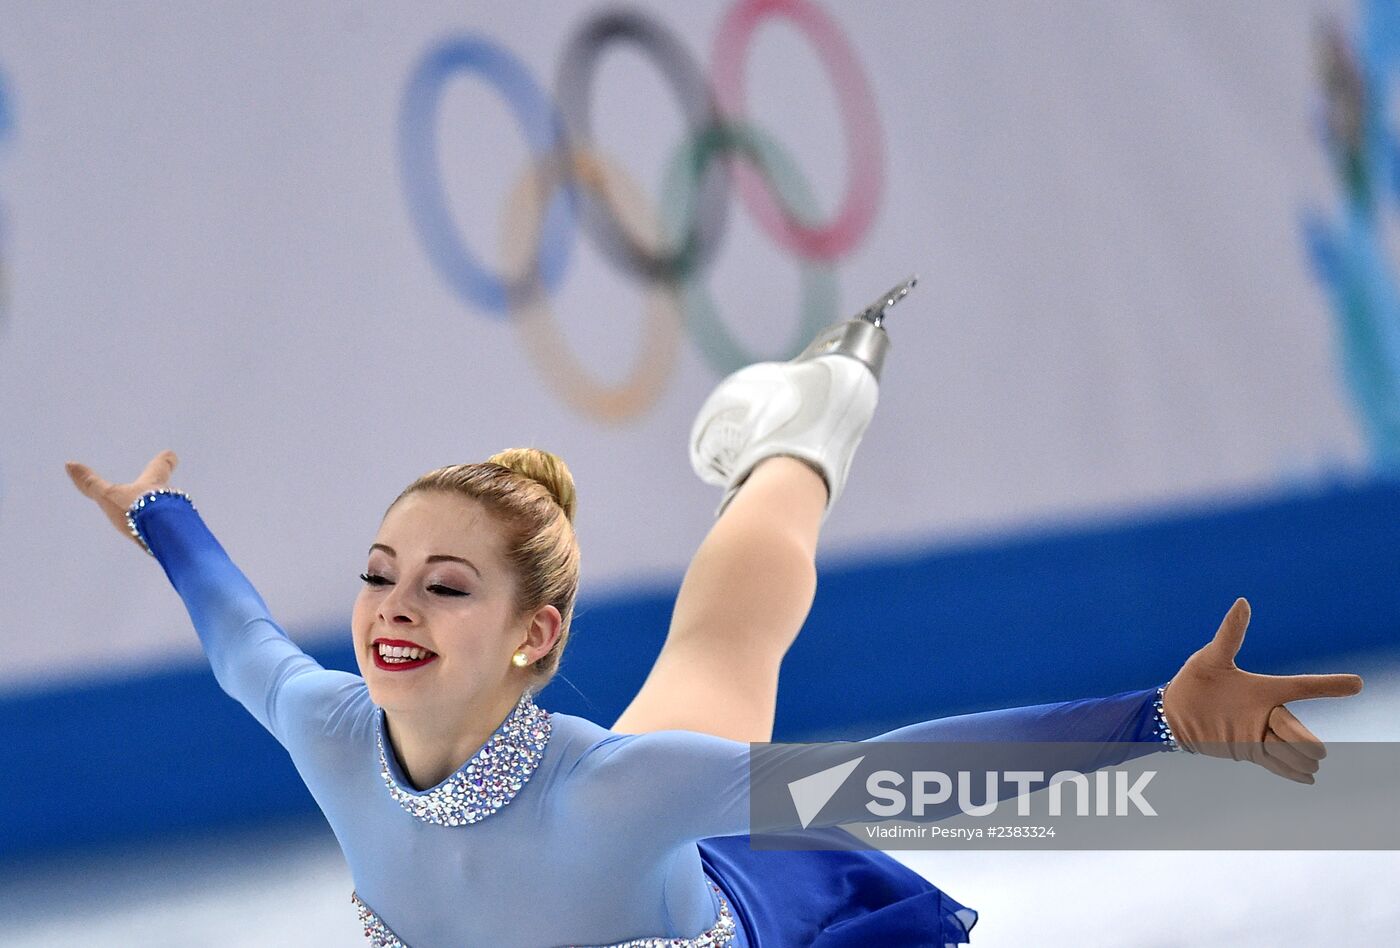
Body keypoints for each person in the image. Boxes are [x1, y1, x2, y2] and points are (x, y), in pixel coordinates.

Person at [67, 310, 1363, 947]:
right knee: (714, 653)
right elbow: (241, 635)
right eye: (381, 574)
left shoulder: (619, 793)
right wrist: (159, 512)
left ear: (536, 636)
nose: (395, 607)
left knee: (730, 645)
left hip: (718, 896)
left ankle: (812, 423)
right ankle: (805, 418)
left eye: (447, 587)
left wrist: (1156, 720)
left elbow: (903, 788)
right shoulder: (330, 731)